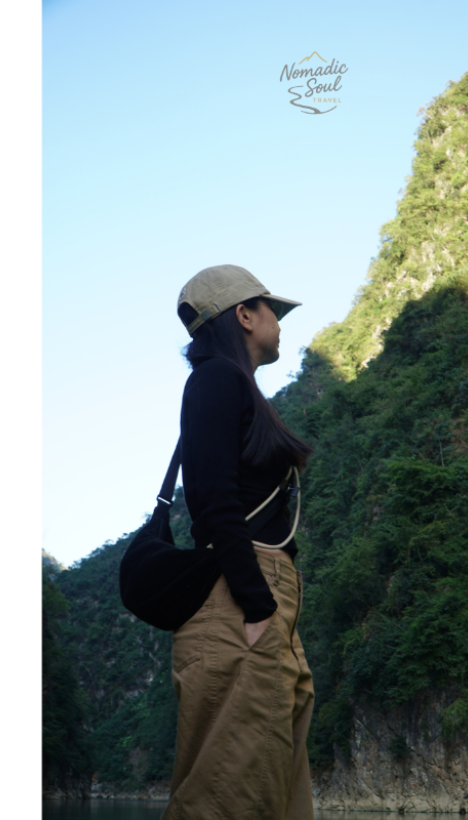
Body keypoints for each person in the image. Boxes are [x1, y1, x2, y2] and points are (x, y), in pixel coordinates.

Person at [162, 264, 316, 820]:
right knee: (229, 793)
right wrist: (255, 604)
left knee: (272, 787)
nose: (280, 320)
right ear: (245, 316)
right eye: (272, 308)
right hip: (243, 594)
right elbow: (214, 501)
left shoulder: (233, 385)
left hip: (265, 593)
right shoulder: (216, 380)